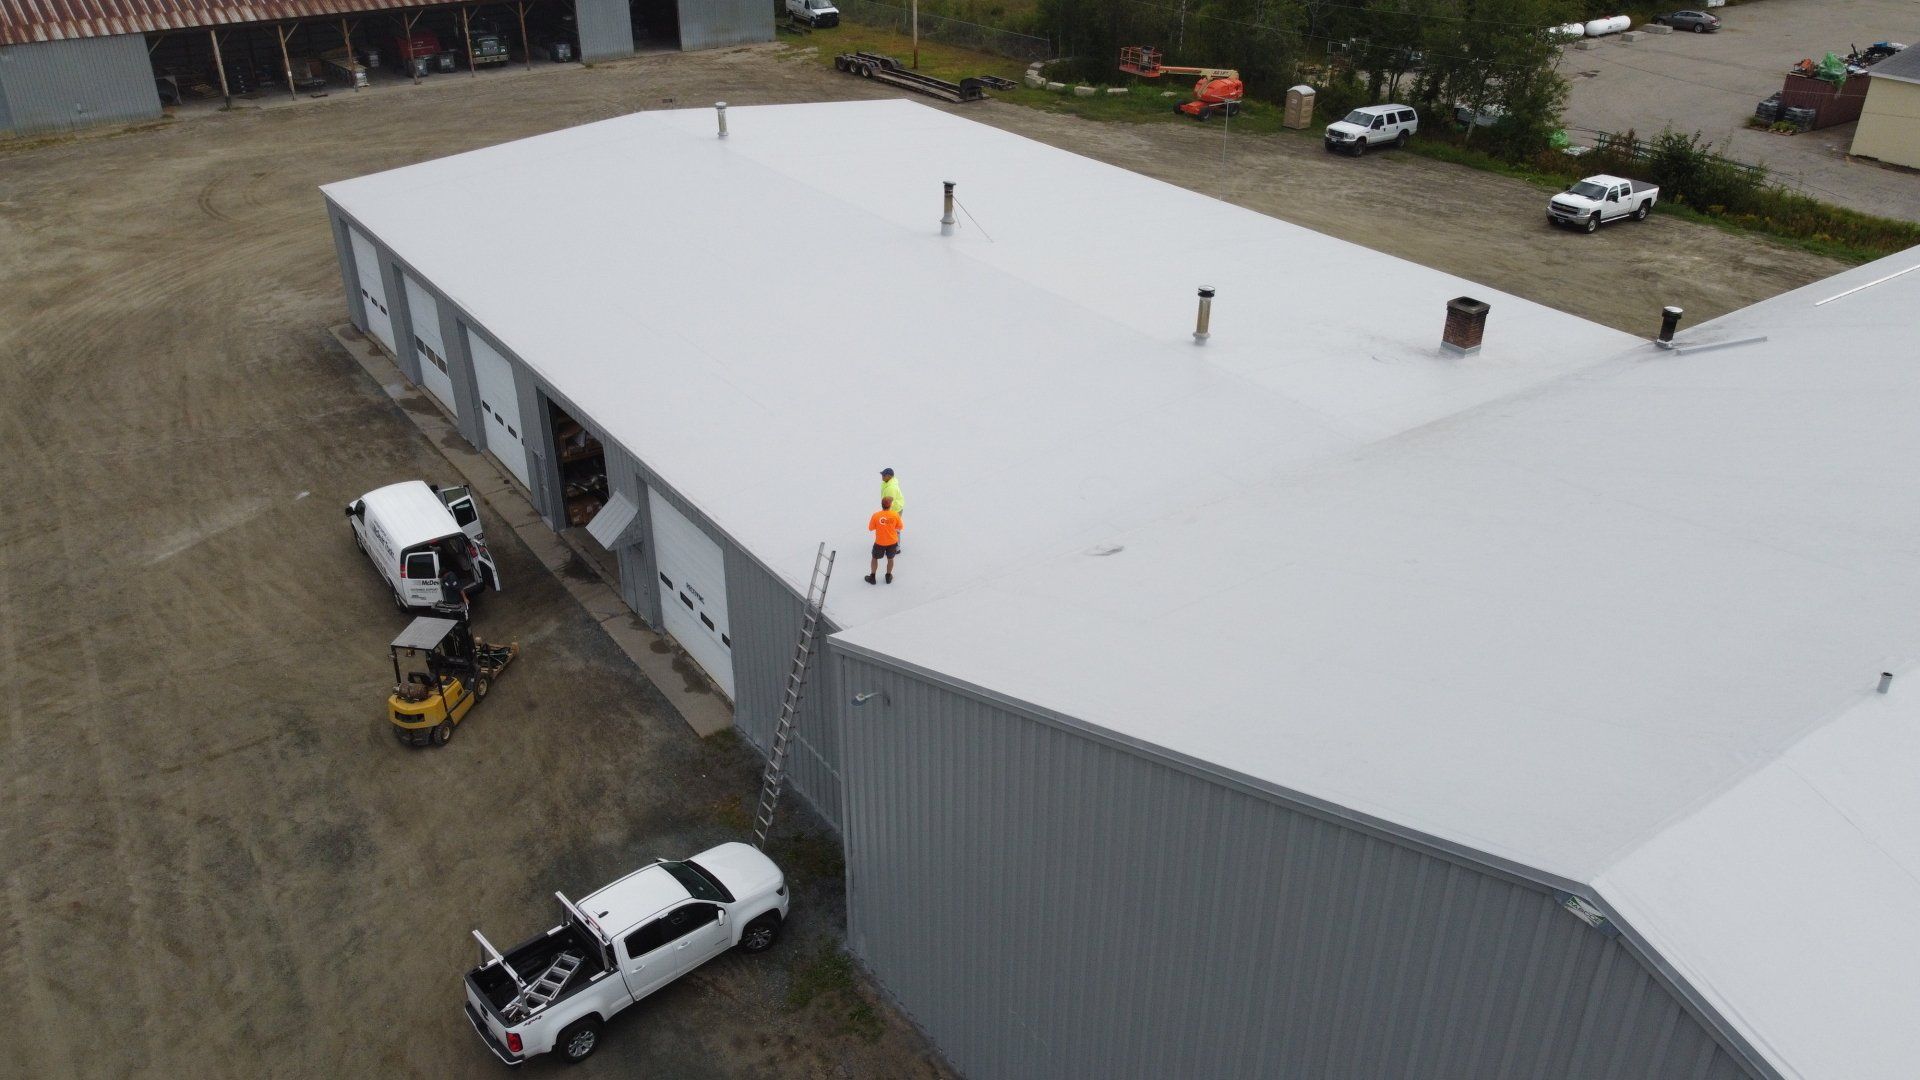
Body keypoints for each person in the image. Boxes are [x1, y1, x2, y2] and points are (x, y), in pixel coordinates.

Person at [866, 495, 902, 584]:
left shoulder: (876, 515)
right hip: (892, 542)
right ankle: (888, 576)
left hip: (880, 542)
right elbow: (900, 527)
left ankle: (873, 577)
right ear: (890, 505)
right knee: (890, 559)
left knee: (874, 558)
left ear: (882, 505)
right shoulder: (895, 514)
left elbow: (870, 528)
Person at [879, 468, 903, 550]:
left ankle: (896, 547)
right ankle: (890, 543)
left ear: (889, 476)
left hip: (894, 510)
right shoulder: (886, 483)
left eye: (883, 475)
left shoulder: (891, 488)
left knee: (894, 529)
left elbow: (889, 503)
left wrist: (886, 514)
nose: (882, 477)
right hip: (894, 508)